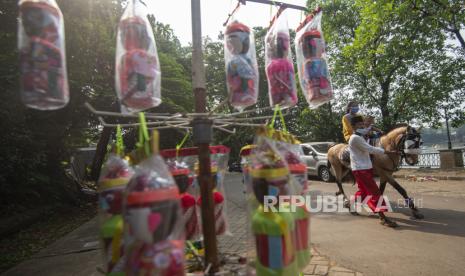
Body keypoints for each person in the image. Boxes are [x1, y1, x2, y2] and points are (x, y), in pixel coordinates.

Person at [348, 115, 398, 227]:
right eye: (359, 125)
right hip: (361, 169)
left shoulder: (360, 135)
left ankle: (350, 203)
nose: (362, 126)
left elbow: (367, 129)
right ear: (353, 127)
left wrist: (372, 127)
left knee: (363, 192)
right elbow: (370, 149)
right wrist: (388, 152)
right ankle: (383, 218)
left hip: (363, 168)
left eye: (362, 124)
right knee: (375, 192)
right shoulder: (355, 138)